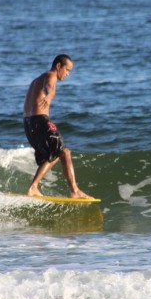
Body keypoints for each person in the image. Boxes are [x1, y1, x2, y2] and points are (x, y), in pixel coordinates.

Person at [22, 54, 93, 199]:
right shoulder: (50, 75)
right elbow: (50, 87)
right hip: (40, 120)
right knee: (64, 152)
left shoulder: (36, 80)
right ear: (59, 66)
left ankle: (33, 187)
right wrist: (49, 96)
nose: (68, 74)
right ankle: (73, 191)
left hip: (28, 124)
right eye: (67, 70)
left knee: (55, 154)